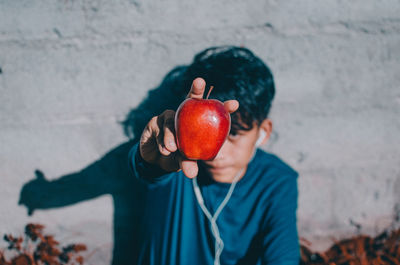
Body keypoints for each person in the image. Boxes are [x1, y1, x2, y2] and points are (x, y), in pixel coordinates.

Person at [128, 46, 300, 265]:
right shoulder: (176, 164)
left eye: (234, 134)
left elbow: (284, 257)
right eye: (204, 134)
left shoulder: (277, 181)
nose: (216, 154)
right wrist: (150, 160)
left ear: (263, 132)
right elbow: (147, 170)